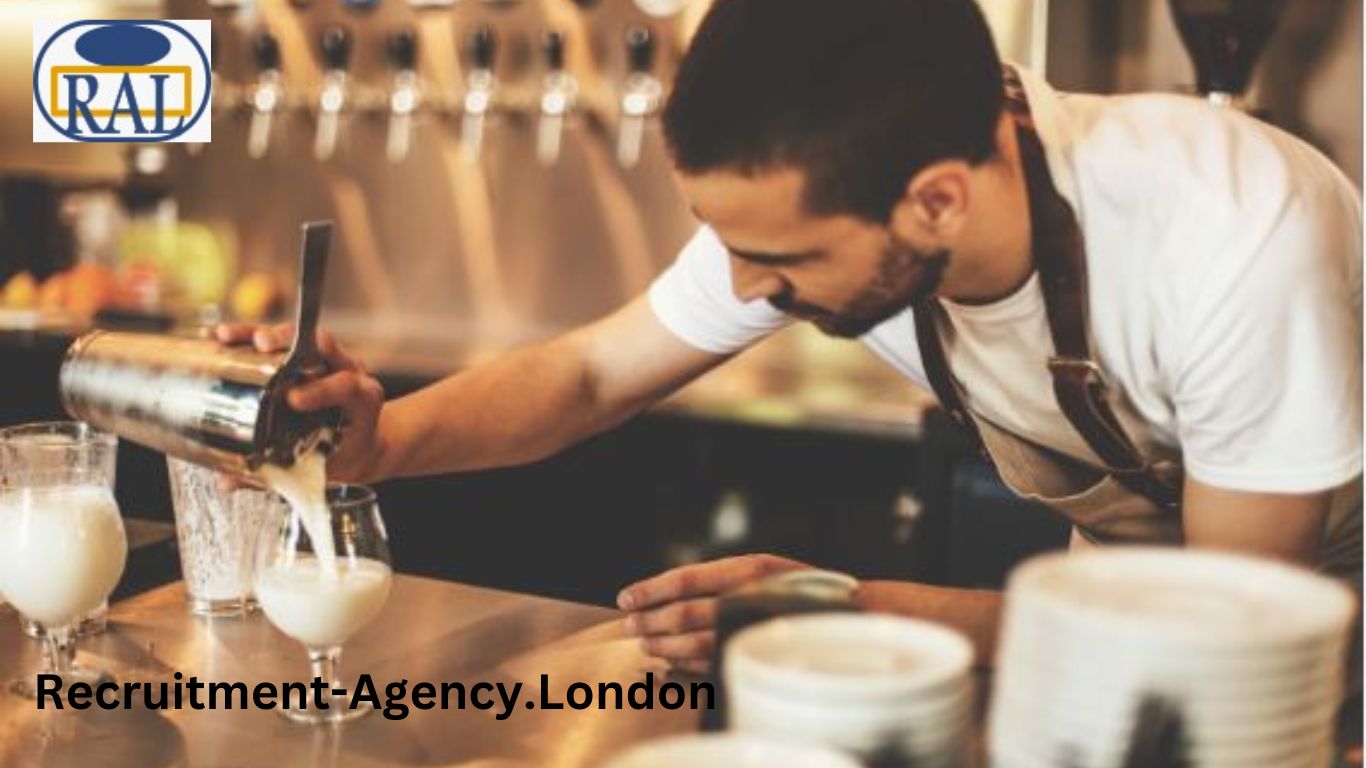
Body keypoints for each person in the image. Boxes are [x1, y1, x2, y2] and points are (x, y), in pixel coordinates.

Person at [221, 0, 1362, 674]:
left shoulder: (1228, 231)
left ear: (937, 203)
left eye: (785, 259)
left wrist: (849, 609)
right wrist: (373, 445)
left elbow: (1228, 631)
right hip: (1101, 620)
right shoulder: (836, 198)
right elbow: (588, 375)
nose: (747, 287)